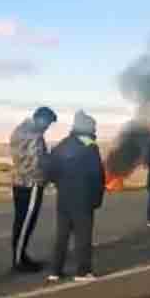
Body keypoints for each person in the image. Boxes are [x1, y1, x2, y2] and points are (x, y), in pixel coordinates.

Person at [44, 111, 105, 282]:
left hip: (64, 197)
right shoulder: (90, 146)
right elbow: (97, 175)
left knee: (62, 235)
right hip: (83, 197)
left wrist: (60, 184)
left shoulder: (62, 145)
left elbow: (50, 170)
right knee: (83, 236)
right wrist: (97, 198)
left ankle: (55, 271)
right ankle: (83, 272)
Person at [8, 106, 57, 272]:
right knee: (26, 223)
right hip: (31, 184)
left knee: (21, 222)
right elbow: (37, 163)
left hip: (19, 182)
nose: (47, 127)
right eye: (47, 123)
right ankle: (19, 261)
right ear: (40, 119)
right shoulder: (34, 136)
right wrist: (49, 175)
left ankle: (21, 256)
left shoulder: (19, 130)